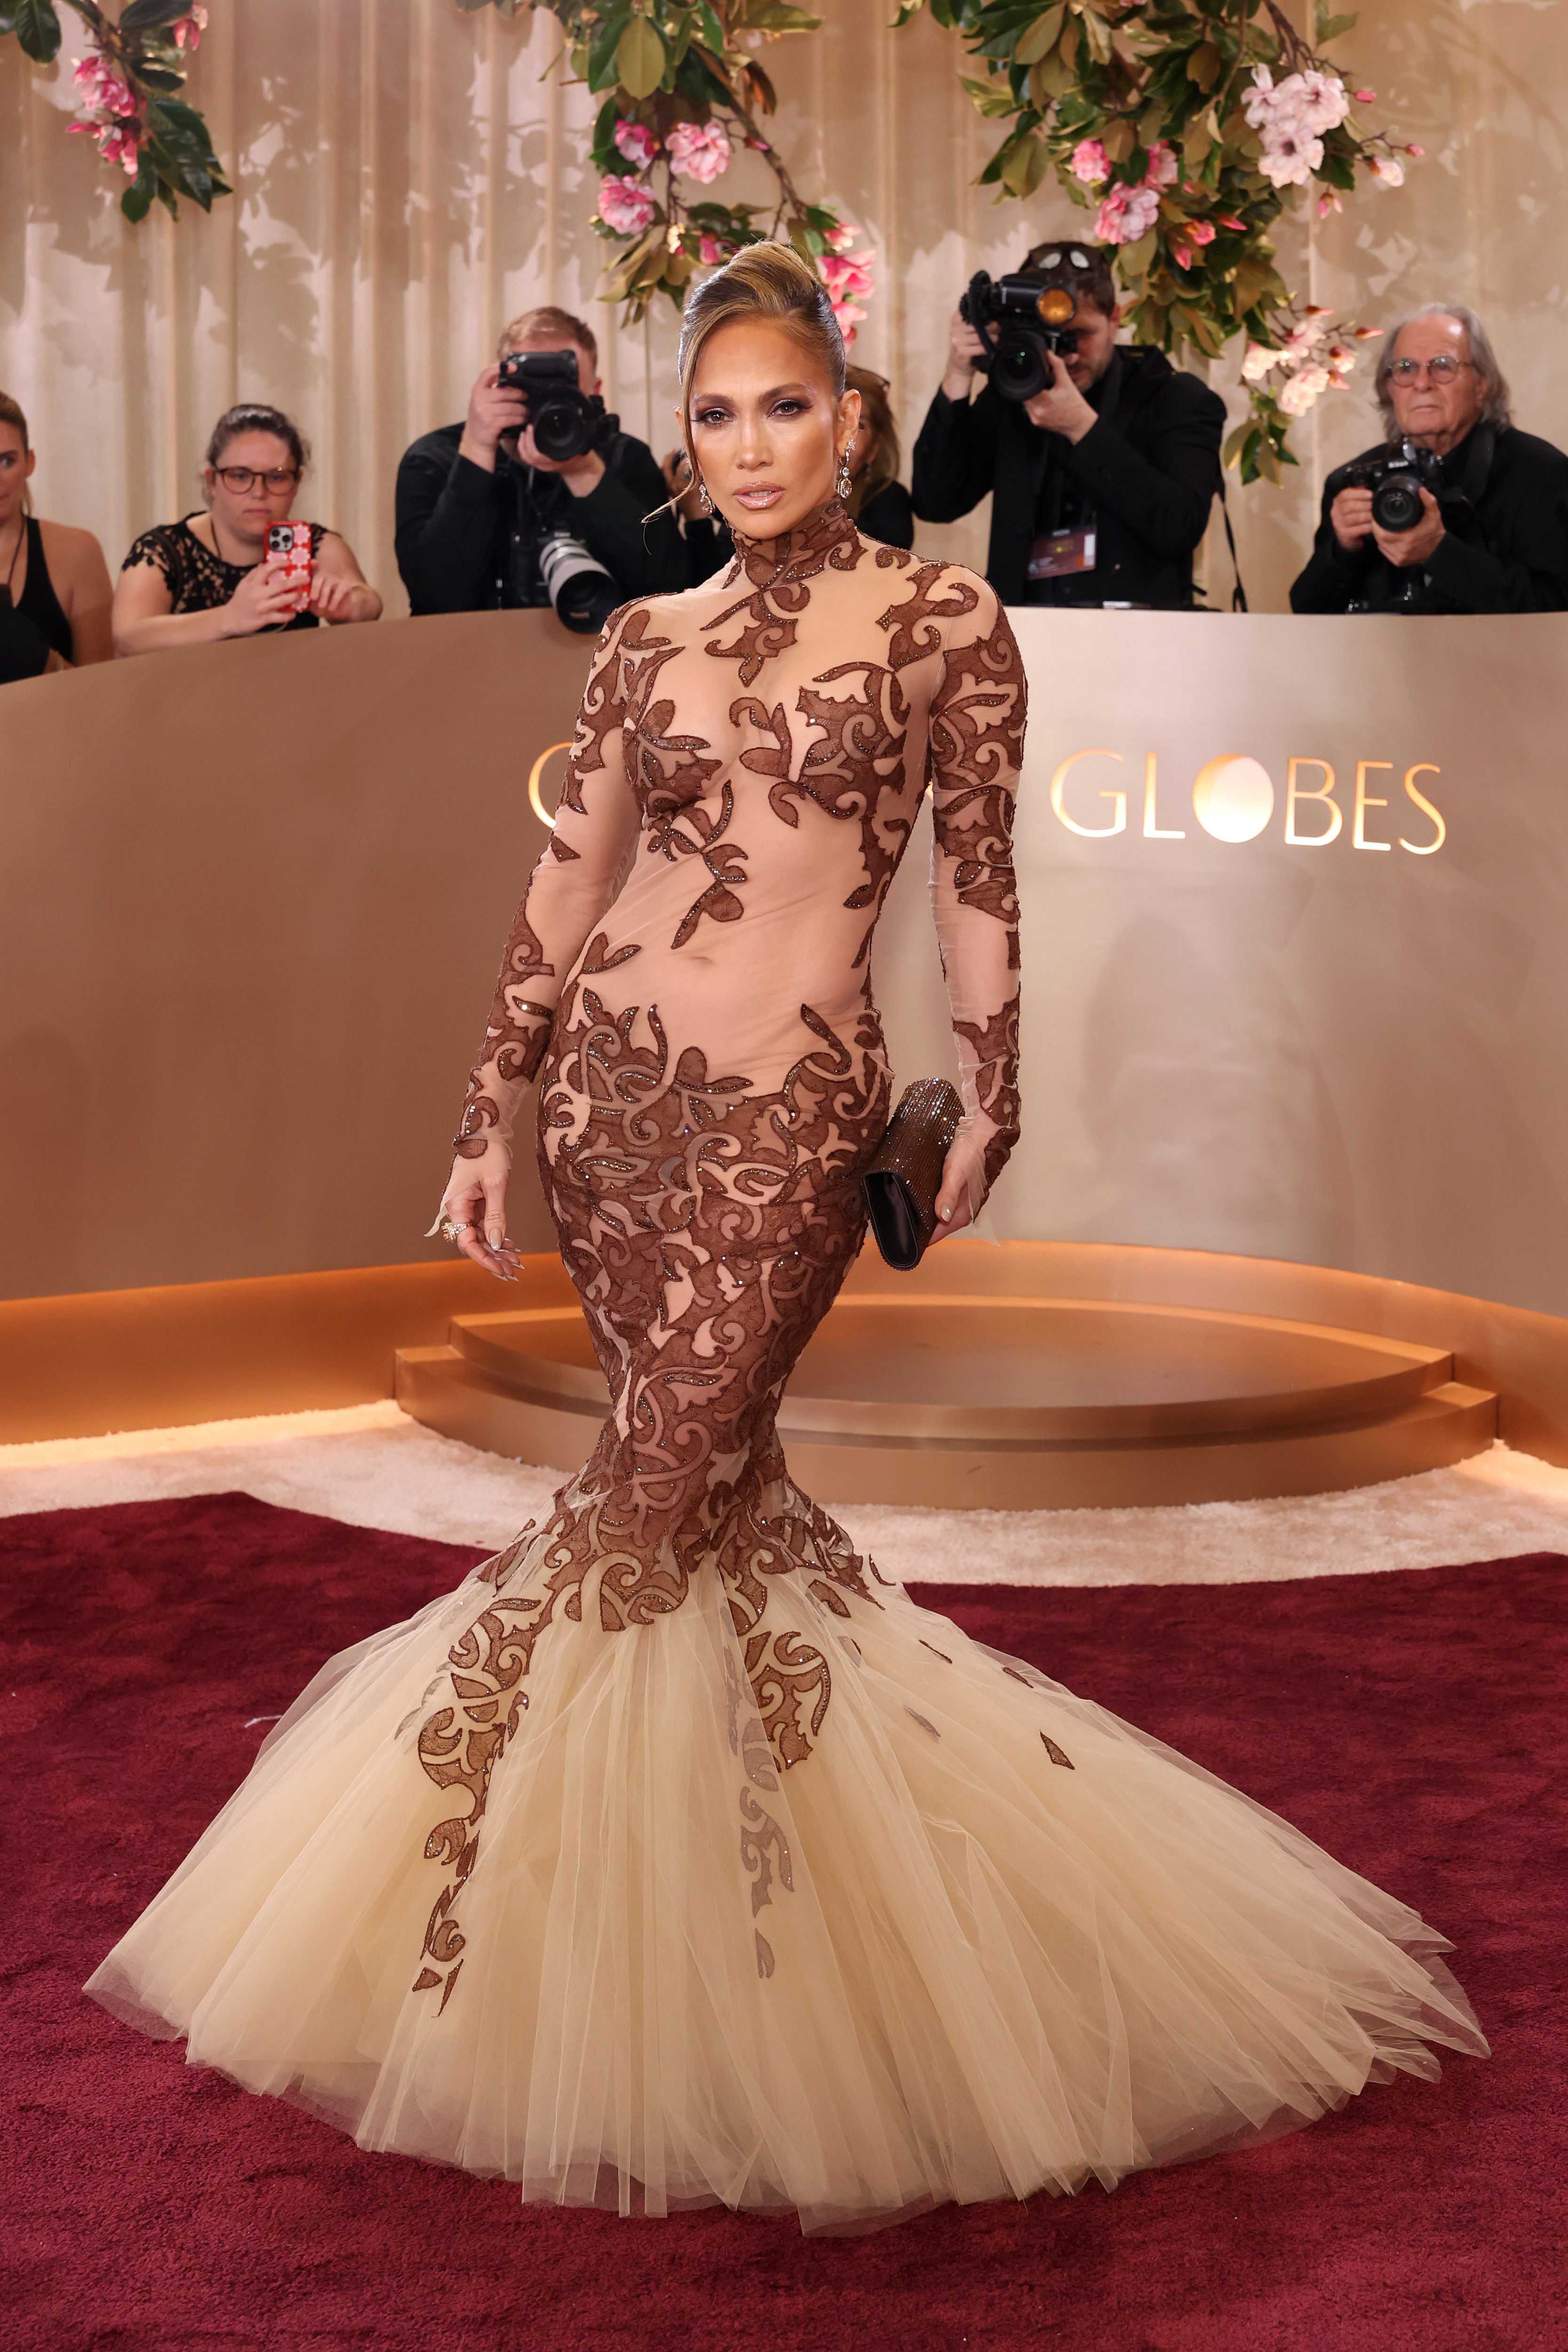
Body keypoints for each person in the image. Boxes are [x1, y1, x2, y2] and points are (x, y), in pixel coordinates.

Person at [86, 242, 1485, 2235]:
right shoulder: (644, 635)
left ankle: (449, 1907)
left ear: (852, 421)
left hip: (792, 1119)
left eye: (784, 406)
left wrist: (989, 1087)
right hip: (613, 1115)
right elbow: (567, 879)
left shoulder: (942, 620)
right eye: (715, 412)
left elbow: (981, 882)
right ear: (688, 438)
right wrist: (488, 1105)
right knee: (716, 1512)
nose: (747, 443)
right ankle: (740, 1951)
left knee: (640, 1495)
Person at [912, 241, 1225, 608]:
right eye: (1051, 338)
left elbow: (1179, 527)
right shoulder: (1014, 394)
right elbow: (936, 501)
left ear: (1114, 320)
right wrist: (959, 373)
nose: (1067, 354)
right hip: (1024, 633)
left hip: (1137, 640)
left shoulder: (1173, 397)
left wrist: (1082, 430)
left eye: (1079, 335)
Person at [395, 306, 687, 616]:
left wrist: (584, 471)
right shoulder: (433, 459)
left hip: (600, 660)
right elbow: (434, 599)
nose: (546, 403)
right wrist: (479, 450)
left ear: (594, 392)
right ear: (498, 387)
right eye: (529, 388)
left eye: (564, 389)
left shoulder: (623, 457)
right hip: (472, 657)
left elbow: (666, 590)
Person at [1290, 303, 1568, 614]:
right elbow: (1306, 613)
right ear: (1390, 389)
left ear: (1481, 384)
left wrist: (1439, 553)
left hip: (1496, 662)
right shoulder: (1352, 482)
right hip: (1376, 662)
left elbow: (1556, 608)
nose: (1422, 383)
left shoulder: (1540, 475)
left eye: (1442, 366)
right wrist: (1342, 549)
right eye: (1405, 369)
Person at [114, 405, 382, 655]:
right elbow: (127, 636)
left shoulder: (317, 544)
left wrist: (347, 606)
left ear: (296, 482)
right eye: (240, 476)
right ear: (213, 482)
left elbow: (369, 602)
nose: (259, 492)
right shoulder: (164, 550)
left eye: (276, 477)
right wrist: (229, 619)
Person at [673, 358, 914, 581]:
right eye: (716, 416)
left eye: (788, 409)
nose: (751, 455)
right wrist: (697, 519)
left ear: (874, 447)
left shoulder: (888, 503)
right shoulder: (750, 510)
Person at [0, 390, 114, 679]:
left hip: (55, 724)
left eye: (6, 462)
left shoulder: (78, 553)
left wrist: (47, 663)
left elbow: (105, 695)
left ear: (30, 462)